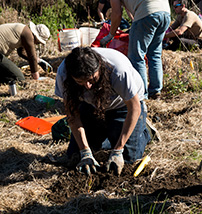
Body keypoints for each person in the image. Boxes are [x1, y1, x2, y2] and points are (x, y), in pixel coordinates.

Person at [55, 47, 151, 176]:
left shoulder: (117, 71)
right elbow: (73, 115)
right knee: (75, 156)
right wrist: (85, 151)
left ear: (99, 67)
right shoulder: (64, 74)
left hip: (122, 105)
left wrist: (118, 150)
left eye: (92, 79)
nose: (88, 86)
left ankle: (145, 132)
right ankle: (110, 133)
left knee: (128, 158)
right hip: (90, 105)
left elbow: (134, 108)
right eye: (80, 82)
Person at [98, 0, 170, 99]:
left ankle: (141, 95)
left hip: (147, 11)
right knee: (154, 53)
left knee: (136, 56)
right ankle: (156, 90)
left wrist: (110, 35)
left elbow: (116, 12)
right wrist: (134, 22)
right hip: (165, 10)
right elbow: (129, 7)